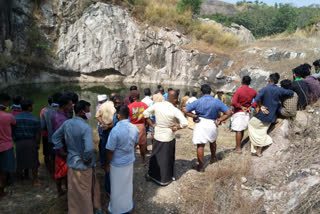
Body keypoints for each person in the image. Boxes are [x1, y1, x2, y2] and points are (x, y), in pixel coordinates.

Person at [52, 100, 101, 214]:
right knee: (85, 192)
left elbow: (55, 137)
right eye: (88, 110)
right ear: (81, 112)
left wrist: (62, 152)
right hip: (84, 165)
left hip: (72, 162)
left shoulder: (67, 123)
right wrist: (86, 158)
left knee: (74, 192)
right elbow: (88, 149)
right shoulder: (85, 127)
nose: (89, 113)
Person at [183, 85, 232, 172]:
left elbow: (185, 110)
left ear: (201, 92)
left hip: (200, 123)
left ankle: (201, 167)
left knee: (200, 145)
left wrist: (194, 116)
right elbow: (228, 112)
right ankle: (213, 158)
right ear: (210, 92)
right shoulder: (216, 101)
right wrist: (220, 119)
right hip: (212, 123)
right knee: (213, 142)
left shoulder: (198, 101)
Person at [144, 90, 188, 185]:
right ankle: (165, 179)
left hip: (158, 134)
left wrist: (152, 124)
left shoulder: (158, 105)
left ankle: (152, 175)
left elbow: (145, 113)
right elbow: (185, 123)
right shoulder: (175, 110)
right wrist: (177, 127)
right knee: (166, 157)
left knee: (155, 155)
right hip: (168, 136)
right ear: (175, 99)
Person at [249, 73, 294, 157]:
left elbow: (256, 99)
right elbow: (290, 92)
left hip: (262, 115)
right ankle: (256, 150)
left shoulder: (265, 89)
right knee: (262, 131)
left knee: (251, 124)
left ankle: (257, 150)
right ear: (277, 81)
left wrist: (261, 106)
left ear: (269, 80)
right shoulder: (279, 90)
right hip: (271, 117)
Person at [105, 106, 139, 214]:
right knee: (127, 185)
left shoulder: (115, 131)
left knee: (116, 187)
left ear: (118, 115)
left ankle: (116, 209)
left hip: (117, 164)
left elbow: (110, 151)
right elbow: (136, 143)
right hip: (129, 161)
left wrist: (107, 164)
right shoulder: (134, 128)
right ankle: (127, 206)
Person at [14, 100, 41, 186]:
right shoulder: (35, 119)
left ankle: (19, 181)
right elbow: (37, 134)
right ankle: (35, 180)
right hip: (31, 141)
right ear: (29, 107)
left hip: (19, 142)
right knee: (34, 162)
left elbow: (12, 131)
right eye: (31, 106)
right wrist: (37, 144)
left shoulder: (15, 118)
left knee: (19, 161)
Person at [51, 95, 73, 195]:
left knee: (60, 171)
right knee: (63, 172)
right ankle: (66, 191)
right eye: (69, 105)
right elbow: (58, 137)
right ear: (64, 106)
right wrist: (62, 151)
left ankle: (60, 190)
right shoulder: (61, 120)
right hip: (62, 150)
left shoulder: (57, 115)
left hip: (59, 149)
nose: (71, 106)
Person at [231, 76, 257, 153]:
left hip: (239, 112)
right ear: (249, 82)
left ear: (242, 81)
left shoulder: (239, 91)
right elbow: (258, 99)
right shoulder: (253, 91)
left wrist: (241, 107)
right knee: (241, 130)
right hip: (247, 112)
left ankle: (238, 148)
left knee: (238, 130)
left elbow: (234, 102)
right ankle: (238, 146)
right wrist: (251, 106)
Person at [41, 92, 63, 176]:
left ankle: (52, 173)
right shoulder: (63, 111)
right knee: (62, 157)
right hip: (62, 139)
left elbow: (42, 126)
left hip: (50, 138)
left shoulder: (45, 112)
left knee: (52, 157)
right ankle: (62, 174)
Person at [0, 93, 16, 198]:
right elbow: (14, 126)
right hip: (6, 147)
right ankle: (1, 192)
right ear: (5, 102)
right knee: (3, 171)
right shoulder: (8, 116)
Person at [95, 93, 117, 167]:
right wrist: (108, 125)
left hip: (105, 128)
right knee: (113, 146)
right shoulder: (116, 106)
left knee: (104, 145)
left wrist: (103, 123)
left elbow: (97, 116)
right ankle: (111, 162)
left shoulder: (103, 105)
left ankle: (103, 163)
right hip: (113, 128)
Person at [127, 90, 148, 164]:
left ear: (134, 97)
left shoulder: (129, 107)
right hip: (142, 126)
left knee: (132, 144)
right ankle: (143, 160)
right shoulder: (144, 105)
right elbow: (147, 117)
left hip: (132, 126)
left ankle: (130, 160)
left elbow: (128, 118)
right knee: (142, 144)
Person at [40, 96, 53, 169]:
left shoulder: (44, 110)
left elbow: (42, 125)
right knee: (52, 153)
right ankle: (51, 167)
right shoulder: (57, 111)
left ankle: (47, 167)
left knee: (46, 153)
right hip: (49, 134)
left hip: (45, 134)